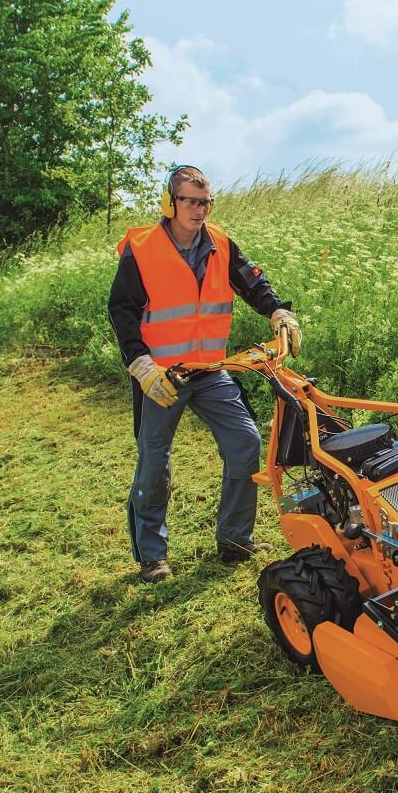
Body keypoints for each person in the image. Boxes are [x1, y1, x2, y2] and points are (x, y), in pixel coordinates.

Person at [107, 164, 303, 582]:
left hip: (211, 371)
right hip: (162, 378)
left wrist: (277, 309)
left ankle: (235, 539)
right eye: (191, 202)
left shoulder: (220, 244)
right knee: (154, 461)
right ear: (169, 202)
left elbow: (252, 282)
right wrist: (141, 366)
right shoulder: (141, 248)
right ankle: (152, 556)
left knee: (245, 443)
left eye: (205, 202)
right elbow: (121, 311)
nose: (199, 210)